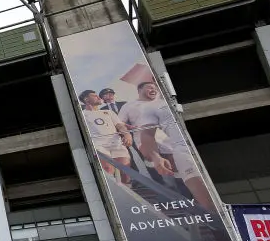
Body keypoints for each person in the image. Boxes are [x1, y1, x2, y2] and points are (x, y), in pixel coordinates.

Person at [120, 81, 216, 214]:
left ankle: (191, 207)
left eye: (155, 88)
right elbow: (124, 125)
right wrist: (153, 154)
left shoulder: (164, 104)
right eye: (150, 87)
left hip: (173, 145)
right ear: (140, 89)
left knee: (181, 176)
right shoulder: (132, 106)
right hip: (149, 145)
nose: (154, 90)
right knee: (164, 175)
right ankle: (174, 202)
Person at [78, 90, 133, 184]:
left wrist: (127, 134)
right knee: (108, 170)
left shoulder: (108, 112)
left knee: (125, 172)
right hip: (99, 145)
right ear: (86, 99)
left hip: (116, 143)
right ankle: (115, 194)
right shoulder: (82, 115)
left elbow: (120, 126)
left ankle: (127, 189)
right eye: (95, 96)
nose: (99, 97)